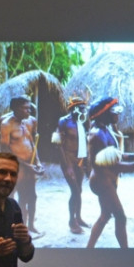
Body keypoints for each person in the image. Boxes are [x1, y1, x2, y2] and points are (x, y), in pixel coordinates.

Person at [84, 96, 134, 249]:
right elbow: (114, 166)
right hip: (102, 182)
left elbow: (112, 154)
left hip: (106, 180)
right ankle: (125, 252)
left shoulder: (104, 130)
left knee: (105, 216)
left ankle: (89, 249)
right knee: (120, 217)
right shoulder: (97, 134)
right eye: (114, 112)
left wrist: (133, 156)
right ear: (104, 114)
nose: (118, 115)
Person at [0, 94, 42, 235]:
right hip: (16, 168)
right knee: (14, 199)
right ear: (16, 108)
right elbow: (5, 150)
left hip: (29, 166)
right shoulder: (6, 125)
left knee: (32, 196)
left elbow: (32, 144)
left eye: (29, 108)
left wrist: (38, 162)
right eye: (25, 108)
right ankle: (15, 229)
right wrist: (24, 165)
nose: (28, 111)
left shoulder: (30, 122)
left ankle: (30, 226)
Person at [56, 96, 91, 234]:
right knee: (75, 191)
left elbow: (85, 142)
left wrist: (87, 163)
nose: (84, 110)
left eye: (84, 108)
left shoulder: (83, 121)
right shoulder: (63, 122)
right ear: (74, 108)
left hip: (80, 160)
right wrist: (68, 166)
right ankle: (72, 222)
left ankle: (79, 218)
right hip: (68, 160)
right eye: (81, 108)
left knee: (79, 190)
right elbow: (58, 145)